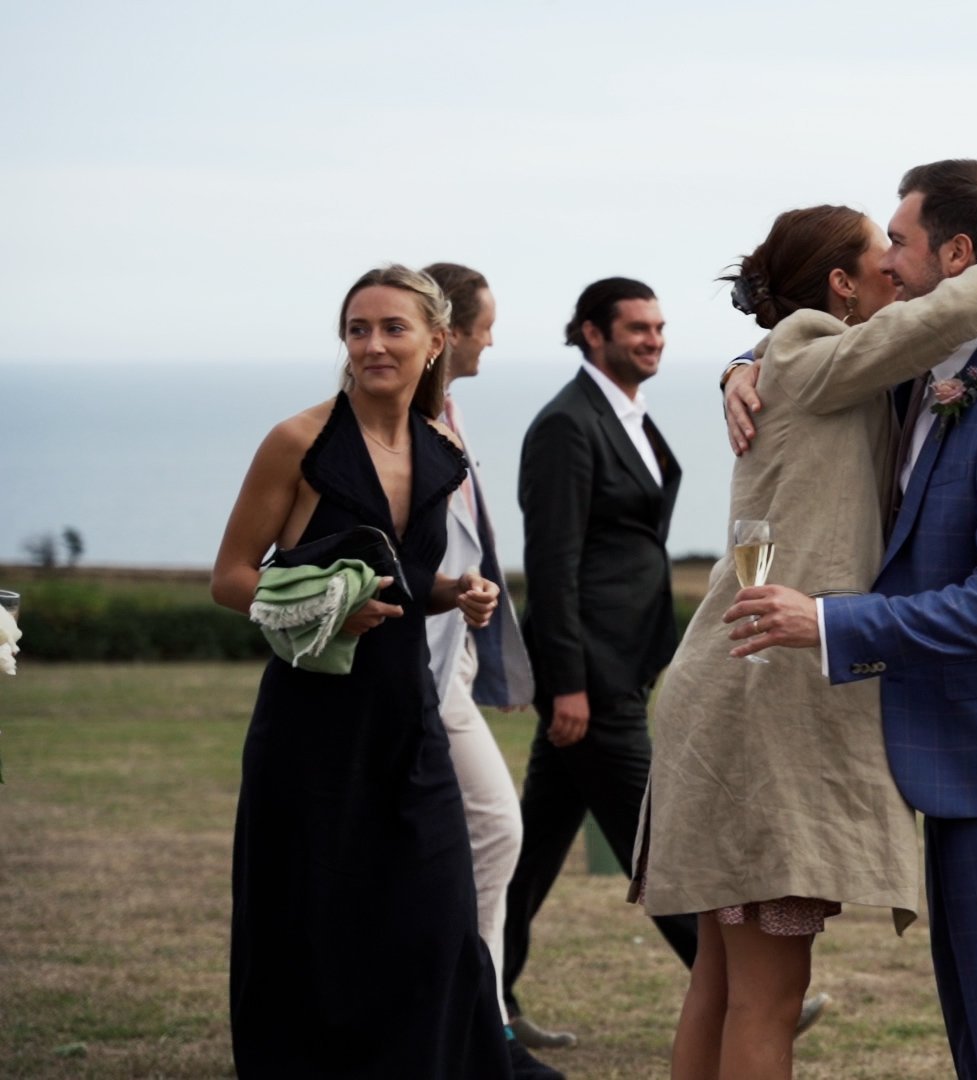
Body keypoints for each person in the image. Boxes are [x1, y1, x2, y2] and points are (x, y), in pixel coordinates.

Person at [644, 204, 977, 1080]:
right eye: (876, 250)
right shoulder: (826, 353)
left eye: (900, 241)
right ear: (841, 285)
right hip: (768, 694)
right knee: (760, 996)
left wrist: (747, 359)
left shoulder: (861, 369)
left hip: (740, 687)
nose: (892, 261)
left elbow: (954, 482)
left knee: (726, 986)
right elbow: (940, 317)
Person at [211, 264, 509, 1077]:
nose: (372, 344)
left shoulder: (443, 449)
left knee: (438, 924)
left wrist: (455, 591)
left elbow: (400, 577)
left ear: (436, 342)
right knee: (313, 937)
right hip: (311, 735)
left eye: (393, 328)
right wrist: (321, 612)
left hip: (408, 725)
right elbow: (232, 577)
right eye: (357, 329)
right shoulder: (300, 443)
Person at [503, 277, 698, 1048]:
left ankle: (485, 997)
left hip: (626, 663)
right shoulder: (566, 425)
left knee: (532, 851)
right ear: (592, 334)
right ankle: (731, 984)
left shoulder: (628, 415)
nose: (652, 340)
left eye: (658, 327)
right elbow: (552, 565)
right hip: (595, 679)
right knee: (657, 836)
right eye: (637, 328)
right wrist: (570, 685)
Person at [417, 263, 559, 1080]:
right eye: (485, 326)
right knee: (496, 831)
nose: (493, 339)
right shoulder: (411, 423)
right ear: (453, 332)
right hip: (420, 672)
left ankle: (480, 1017)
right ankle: (476, 1022)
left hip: (454, 667)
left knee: (496, 834)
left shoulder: (449, 415)